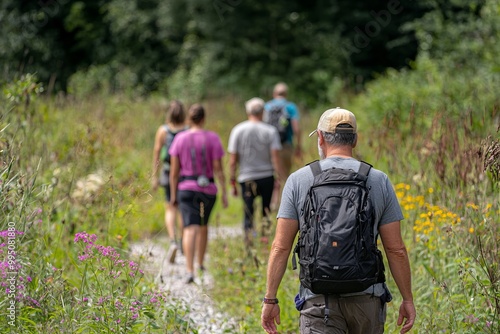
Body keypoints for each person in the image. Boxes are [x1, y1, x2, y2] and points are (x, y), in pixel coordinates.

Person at [261, 108, 416, 334]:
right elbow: (396, 249)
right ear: (355, 139)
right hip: (367, 297)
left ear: (321, 138)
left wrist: (270, 300)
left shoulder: (298, 180)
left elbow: (281, 246)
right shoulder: (378, 180)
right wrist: (407, 299)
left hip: (318, 300)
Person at [169, 103, 228, 284]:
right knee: (203, 226)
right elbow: (218, 169)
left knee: (189, 228)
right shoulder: (213, 138)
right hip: (208, 188)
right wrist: (224, 191)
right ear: (203, 119)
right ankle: (201, 263)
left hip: (186, 188)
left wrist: (173, 195)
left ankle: (189, 269)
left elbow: (174, 172)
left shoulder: (179, 138)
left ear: (189, 118)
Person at [227, 97, 284, 246]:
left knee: (248, 213)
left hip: (246, 178)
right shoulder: (270, 131)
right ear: (262, 112)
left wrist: (232, 180)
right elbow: (275, 157)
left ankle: (248, 242)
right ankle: (265, 241)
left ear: (248, 111)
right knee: (266, 212)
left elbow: (233, 159)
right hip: (266, 176)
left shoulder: (237, 130)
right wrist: (278, 177)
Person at [151, 100, 187, 264]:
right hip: (186, 173)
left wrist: (154, 176)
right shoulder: (188, 129)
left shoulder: (163, 130)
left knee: (170, 207)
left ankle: (172, 240)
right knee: (182, 208)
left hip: (167, 171)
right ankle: (183, 241)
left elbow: (157, 153)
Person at [264, 82, 302, 210]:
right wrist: (298, 146)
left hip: (270, 146)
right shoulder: (290, 107)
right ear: (286, 94)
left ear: (274, 94)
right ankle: (285, 206)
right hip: (286, 144)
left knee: (272, 174)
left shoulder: (267, 106)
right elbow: (296, 128)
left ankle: (273, 203)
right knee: (285, 175)